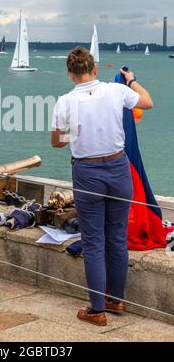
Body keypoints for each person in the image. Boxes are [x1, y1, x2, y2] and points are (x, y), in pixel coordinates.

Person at [51, 46, 153, 326]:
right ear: (94, 69)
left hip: (87, 171)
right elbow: (147, 102)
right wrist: (130, 80)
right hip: (119, 168)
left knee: (94, 241)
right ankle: (117, 299)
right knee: (117, 237)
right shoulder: (116, 91)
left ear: (71, 74)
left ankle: (97, 310)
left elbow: (57, 141)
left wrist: (78, 130)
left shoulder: (65, 101)